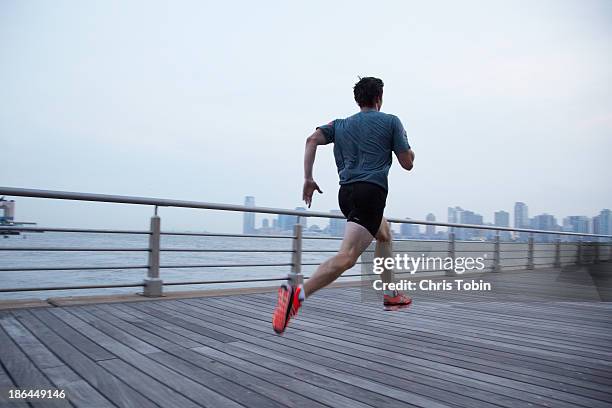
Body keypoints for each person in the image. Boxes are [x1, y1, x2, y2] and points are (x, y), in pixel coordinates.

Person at [272, 76, 415, 334]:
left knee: (384, 233)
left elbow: (311, 140)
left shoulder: (340, 125)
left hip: (346, 194)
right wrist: (407, 147)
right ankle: (297, 296)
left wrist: (308, 178)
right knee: (347, 257)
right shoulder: (391, 121)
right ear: (379, 98)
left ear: (357, 99)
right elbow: (407, 163)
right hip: (371, 192)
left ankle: (391, 292)